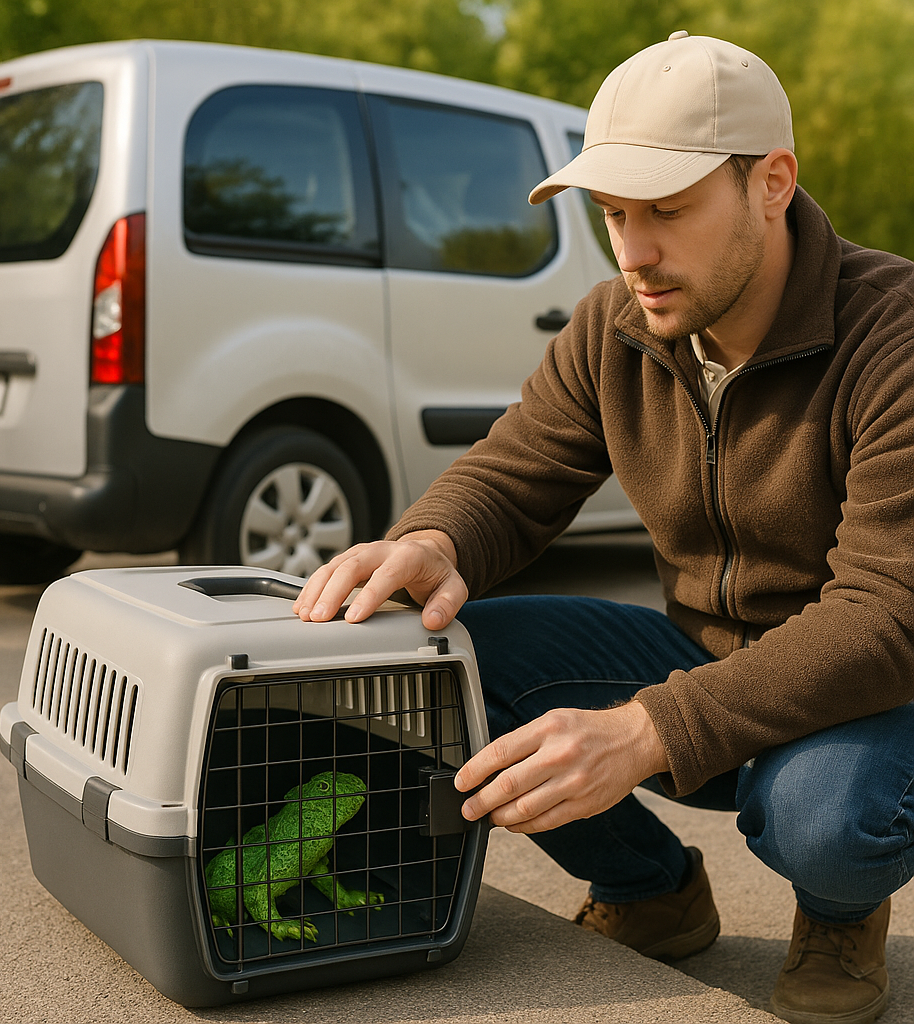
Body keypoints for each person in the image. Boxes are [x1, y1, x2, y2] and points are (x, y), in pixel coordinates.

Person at [293, 31, 914, 1024]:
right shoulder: (615, 322)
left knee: (826, 818)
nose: (634, 251)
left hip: (860, 696)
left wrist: (647, 729)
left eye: (665, 210)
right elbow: (516, 468)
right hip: (695, 649)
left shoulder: (895, 337)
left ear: (771, 182)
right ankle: (651, 892)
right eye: (612, 213)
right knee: (444, 656)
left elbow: (888, 617)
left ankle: (840, 912)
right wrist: (431, 541)